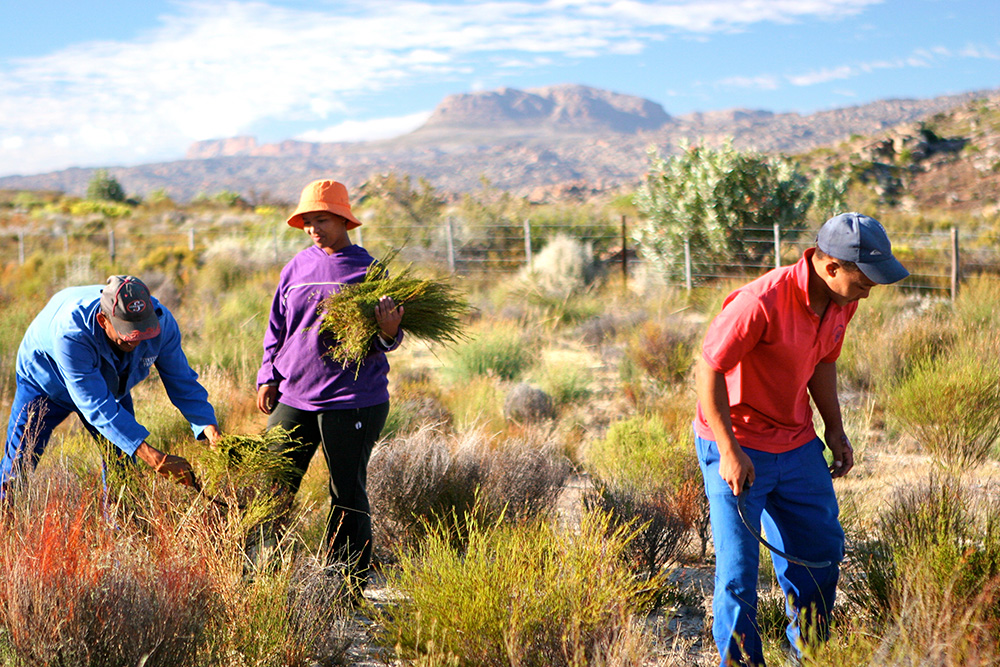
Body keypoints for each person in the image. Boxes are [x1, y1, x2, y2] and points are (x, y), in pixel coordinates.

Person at [694, 212, 909, 666]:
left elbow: (823, 361)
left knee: (820, 555)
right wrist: (729, 451)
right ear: (830, 267)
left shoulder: (841, 300)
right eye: (864, 279)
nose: (869, 290)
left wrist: (834, 428)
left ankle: (808, 657)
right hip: (736, 442)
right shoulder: (760, 303)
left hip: (795, 442)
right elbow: (708, 368)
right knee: (737, 574)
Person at [256, 178, 402, 588]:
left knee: (346, 496)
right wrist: (268, 375)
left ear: (342, 219)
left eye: (321, 219)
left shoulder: (369, 270)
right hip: (295, 395)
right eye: (307, 221)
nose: (312, 229)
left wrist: (390, 331)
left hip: (353, 399)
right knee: (273, 485)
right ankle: (261, 577)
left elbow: (386, 339)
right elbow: (277, 327)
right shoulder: (296, 268)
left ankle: (345, 586)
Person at [1, 275, 221, 496]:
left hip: (110, 384)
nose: (135, 341)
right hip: (45, 383)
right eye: (128, 332)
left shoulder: (161, 322)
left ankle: (120, 528)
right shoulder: (72, 334)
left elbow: (181, 380)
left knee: (122, 464)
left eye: (143, 330)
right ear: (103, 320)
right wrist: (157, 459)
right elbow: (96, 406)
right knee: (17, 468)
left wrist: (208, 426)